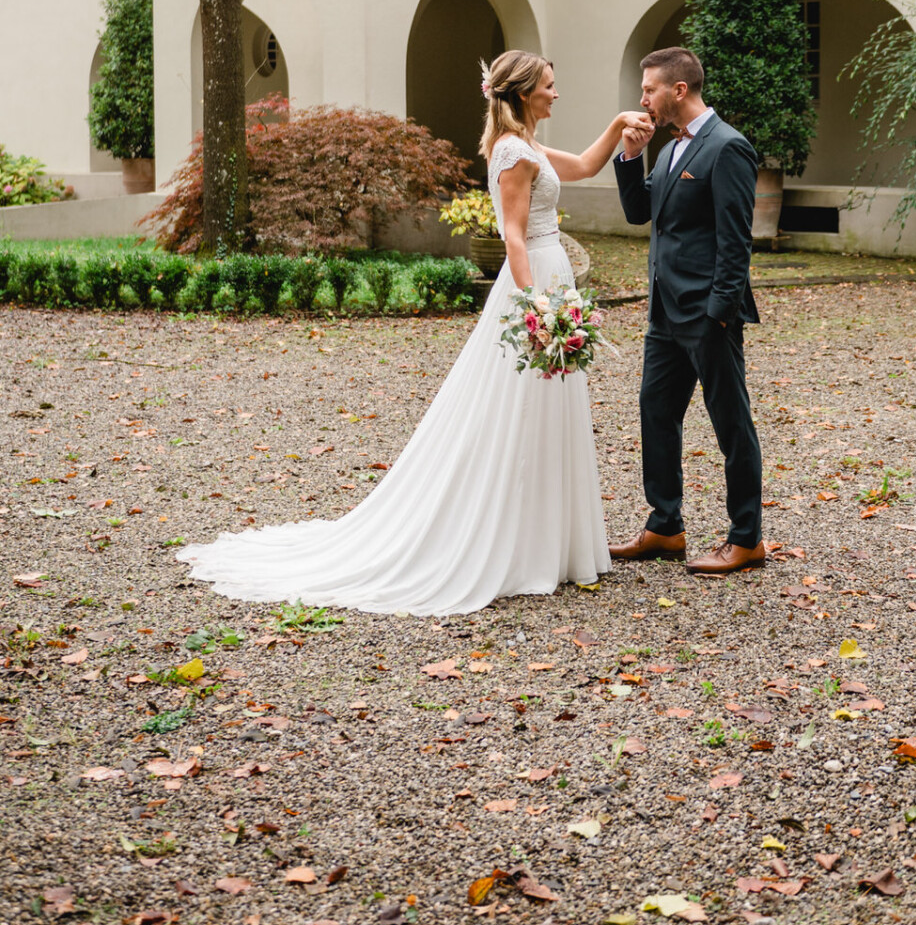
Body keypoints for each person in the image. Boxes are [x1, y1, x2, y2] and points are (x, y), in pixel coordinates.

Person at [174, 51, 650, 617]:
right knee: (517, 409)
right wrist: (540, 310)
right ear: (523, 92)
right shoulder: (514, 152)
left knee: (547, 408)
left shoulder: (526, 145)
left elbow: (583, 166)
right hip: (536, 285)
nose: (555, 93)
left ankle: (547, 541)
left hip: (552, 279)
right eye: (549, 85)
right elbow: (515, 239)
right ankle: (515, 544)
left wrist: (619, 126)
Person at [610, 45, 765, 576]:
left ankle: (746, 539)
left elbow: (735, 239)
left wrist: (719, 312)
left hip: (706, 314)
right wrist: (631, 156)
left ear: (679, 90)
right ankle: (665, 526)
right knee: (655, 413)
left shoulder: (728, 147)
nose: (643, 98)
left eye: (649, 88)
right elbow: (639, 212)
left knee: (731, 425)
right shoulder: (672, 148)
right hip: (663, 314)